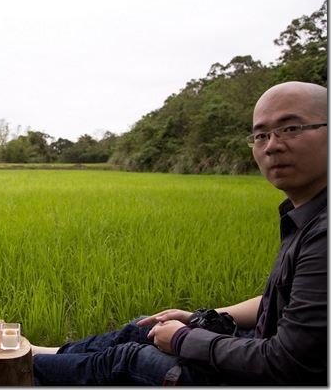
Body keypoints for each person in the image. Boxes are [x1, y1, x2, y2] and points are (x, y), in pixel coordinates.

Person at [32, 81, 327, 386]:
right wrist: (197, 316)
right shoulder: (305, 215)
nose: (272, 145)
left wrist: (182, 338)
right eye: (261, 134)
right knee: (144, 326)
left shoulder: (324, 232)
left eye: (290, 129)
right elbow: (276, 301)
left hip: (274, 374)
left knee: (129, 359)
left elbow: (289, 364)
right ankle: (48, 353)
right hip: (265, 345)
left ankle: (11, 371)